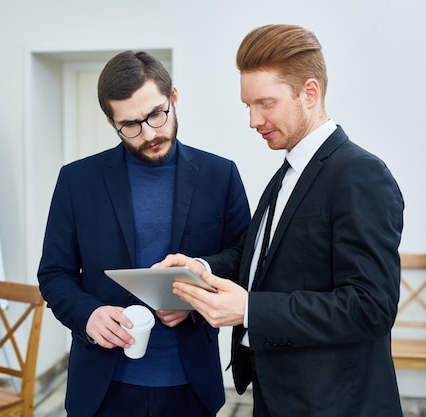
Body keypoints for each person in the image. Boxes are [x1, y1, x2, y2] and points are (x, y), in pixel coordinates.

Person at [155, 24, 405, 416]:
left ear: (310, 92)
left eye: (265, 103)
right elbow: (259, 259)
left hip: (334, 403)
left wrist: (250, 310)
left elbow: (370, 307)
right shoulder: (289, 170)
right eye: (247, 106)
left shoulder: (360, 174)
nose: (253, 121)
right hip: (277, 393)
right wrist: (200, 268)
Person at [37, 50, 251, 417]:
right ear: (111, 121)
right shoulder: (77, 181)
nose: (149, 133)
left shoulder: (221, 175)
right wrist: (89, 314)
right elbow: (54, 274)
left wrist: (195, 297)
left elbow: (243, 258)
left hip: (190, 383)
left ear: (174, 98)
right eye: (131, 125)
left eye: (156, 114)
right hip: (102, 388)